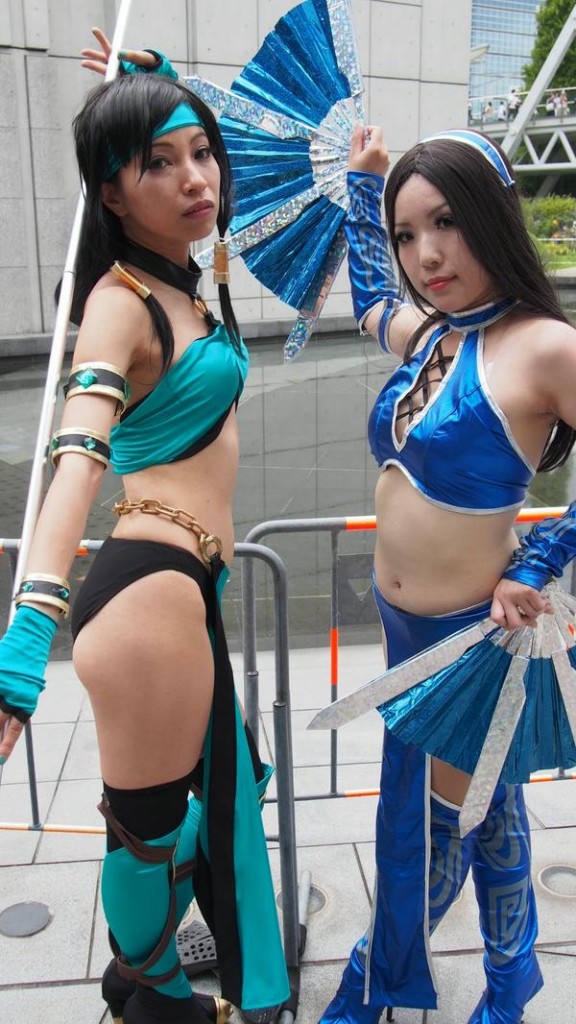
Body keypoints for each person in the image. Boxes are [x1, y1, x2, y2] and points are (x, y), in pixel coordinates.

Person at [0, 52, 289, 1024]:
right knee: (149, 830)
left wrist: (147, 83)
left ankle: (151, 961)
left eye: (202, 152)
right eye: (159, 163)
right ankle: (152, 993)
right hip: (150, 594)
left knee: (213, 795)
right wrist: (26, 639)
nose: (197, 177)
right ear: (111, 193)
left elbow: (195, 153)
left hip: (184, 590)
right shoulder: (118, 302)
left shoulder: (185, 287)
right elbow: (76, 459)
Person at [319, 124, 576, 1024]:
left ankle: (368, 985)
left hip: (471, 641)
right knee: (488, 812)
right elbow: (368, 302)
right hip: (405, 631)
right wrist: (366, 187)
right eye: (407, 233)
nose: (425, 254)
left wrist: (539, 563)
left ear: (492, 217)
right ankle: (511, 981)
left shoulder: (546, 346)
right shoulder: (433, 337)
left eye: (448, 223)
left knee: (428, 836)